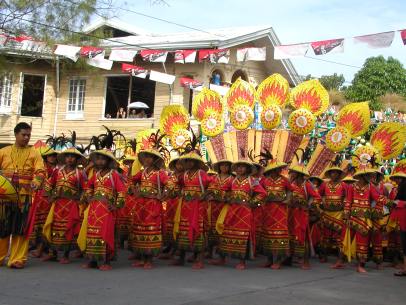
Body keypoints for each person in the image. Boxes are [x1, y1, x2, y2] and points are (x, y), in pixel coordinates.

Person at [0, 122, 45, 269]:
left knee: (20, 228)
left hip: (25, 196)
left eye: (29, 135)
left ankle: (17, 259)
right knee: (2, 227)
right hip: (4, 196)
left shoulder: (35, 153)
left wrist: (36, 182)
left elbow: (40, 172)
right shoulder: (3, 151)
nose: (26, 137)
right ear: (16, 134)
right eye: (23, 134)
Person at [213, 159, 266, 270]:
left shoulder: (252, 180)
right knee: (226, 232)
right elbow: (224, 191)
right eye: (238, 167)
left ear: (247, 169)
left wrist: (252, 203)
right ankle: (222, 258)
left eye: (243, 167)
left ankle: (242, 261)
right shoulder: (232, 180)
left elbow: (262, 193)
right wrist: (225, 197)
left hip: (245, 212)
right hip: (232, 210)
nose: (240, 169)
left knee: (243, 234)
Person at [78, 149, 126, 271]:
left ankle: (107, 261)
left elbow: (121, 191)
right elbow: (88, 186)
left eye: (103, 159)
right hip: (94, 209)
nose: (100, 161)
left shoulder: (114, 175)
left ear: (109, 161)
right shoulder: (95, 174)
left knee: (106, 233)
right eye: (98, 158)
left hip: (107, 209)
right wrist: (88, 197)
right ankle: (93, 260)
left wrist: (116, 205)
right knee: (93, 233)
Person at [130, 134, 169, 269]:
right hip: (141, 204)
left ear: (155, 160)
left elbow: (170, 185)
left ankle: (149, 259)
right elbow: (131, 180)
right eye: (145, 156)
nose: (147, 159)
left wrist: (163, 196)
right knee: (140, 229)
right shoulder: (142, 172)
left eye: (150, 157)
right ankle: (142, 257)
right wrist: (134, 191)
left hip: (153, 205)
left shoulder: (160, 174)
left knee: (151, 230)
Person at [42, 148, 86, 264]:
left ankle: (66, 255)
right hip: (57, 204)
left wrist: (80, 201)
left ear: (76, 160)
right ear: (65, 158)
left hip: (71, 205)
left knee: (68, 228)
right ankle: (53, 253)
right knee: (54, 227)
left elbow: (85, 190)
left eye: (73, 157)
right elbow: (49, 184)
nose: (70, 159)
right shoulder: (57, 172)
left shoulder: (79, 174)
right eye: (68, 156)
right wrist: (49, 197)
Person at [172, 147, 211, 269]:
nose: (188, 163)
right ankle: (181, 257)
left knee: (198, 230)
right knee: (183, 229)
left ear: (196, 162)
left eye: (191, 161)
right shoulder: (183, 175)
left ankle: (199, 259)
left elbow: (213, 185)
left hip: (198, 206)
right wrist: (176, 192)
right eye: (186, 161)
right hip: (185, 206)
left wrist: (205, 195)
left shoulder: (202, 174)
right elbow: (176, 185)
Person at [344, 167, 380, 273]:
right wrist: (346, 216)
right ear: (361, 176)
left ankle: (360, 265)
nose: (369, 177)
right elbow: (348, 201)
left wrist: (389, 202)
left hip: (365, 219)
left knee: (363, 242)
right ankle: (341, 260)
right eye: (367, 175)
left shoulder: (371, 187)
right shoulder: (352, 187)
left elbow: (378, 198)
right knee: (346, 238)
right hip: (352, 217)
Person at [288, 164, 321, 270]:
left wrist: (309, 206)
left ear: (298, 174)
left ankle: (306, 261)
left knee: (304, 236)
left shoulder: (306, 185)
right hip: (291, 214)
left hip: (302, 214)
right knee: (291, 235)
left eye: (293, 172)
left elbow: (317, 198)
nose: (291, 174)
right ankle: (289, 258)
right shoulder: (291, 184)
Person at [260, 160, 291, 269]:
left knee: (279, 234)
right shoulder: (264, 180)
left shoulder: (285, 180)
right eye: (275, 169)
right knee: (267, 234)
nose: (277, 171)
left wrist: (287, 199)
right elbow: (259, 191)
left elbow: (290, 191)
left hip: (280, 210)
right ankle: (269, 259)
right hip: (267, 210)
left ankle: (278, 260)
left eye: (279, 169)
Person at [30, 146, 58, 258]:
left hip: (52, 200)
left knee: (49, 225)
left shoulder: (58, 170)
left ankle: (43, 249)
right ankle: (40, 247)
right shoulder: (41, 169)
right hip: (40, 199)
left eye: (53, 156)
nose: (52, 158)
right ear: (45, 158)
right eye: (49, 156)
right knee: (38, 225)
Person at [318, 165, 347, 268]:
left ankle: (340, 259)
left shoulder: (343, 185)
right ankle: (324, 255)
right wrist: (320, 206)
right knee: (325, 236)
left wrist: (345, 208)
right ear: (330, 174)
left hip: (339, 214)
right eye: (332, 172)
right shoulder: (324, 184)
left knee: (340, 237)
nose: (334, 174)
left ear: (339, 174)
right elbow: (318, 196)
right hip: (326, 213)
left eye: (336, 172)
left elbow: (348, 198)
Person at [206, 160, 232, 259]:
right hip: (212, 207)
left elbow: (233, 192)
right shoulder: (213, 178)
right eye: (222, 165)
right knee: (210, 228)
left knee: (222, 228)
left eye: (226, 166)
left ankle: (222, 256)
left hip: (224, 207)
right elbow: (208, 189)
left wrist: (225, 197)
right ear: (219, 167)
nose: (224, 167)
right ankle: (209, 252)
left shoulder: (232, 179)